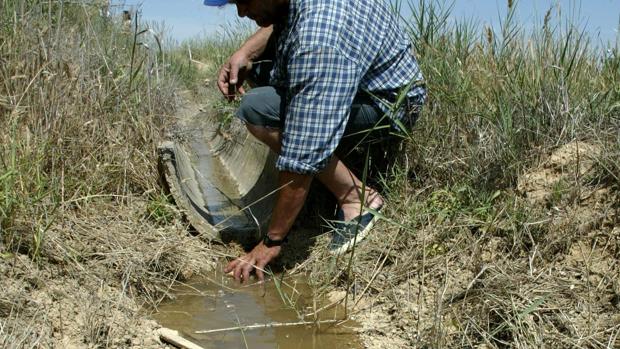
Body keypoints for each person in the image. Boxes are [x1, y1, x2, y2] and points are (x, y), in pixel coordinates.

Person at [203, 0, 426, 282]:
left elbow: (303, 149)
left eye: (244, 0)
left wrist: (271, 241)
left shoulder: (319, 38)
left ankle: (356, 197)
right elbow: (281, 18)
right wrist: (245, 53)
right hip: (359, 80)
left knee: (257, 110)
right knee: (257, 69)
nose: (241, 12)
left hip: (389, 106)